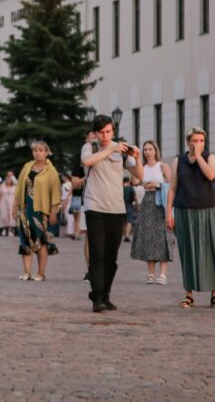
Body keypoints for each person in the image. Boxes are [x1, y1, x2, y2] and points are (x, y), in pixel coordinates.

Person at [166, 127, 215, 308]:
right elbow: (172, 188)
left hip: (207, 210)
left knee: (213, 250)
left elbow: (211, 175)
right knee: (188, 252)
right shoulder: (178, 161)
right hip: (184, 210)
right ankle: (189, 294)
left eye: (201, 141)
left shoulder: (210, 157)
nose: (198, 144)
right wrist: (168, 214)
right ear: (188, 141)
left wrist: (199, 157)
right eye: (195, 140)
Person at [80, 114, 141, 313]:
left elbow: (139, 177)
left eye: (108, 132)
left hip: (117, 209)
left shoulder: (120, 150)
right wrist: (110, 149)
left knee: (111, 258)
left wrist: (137, 159)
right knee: (97, 253)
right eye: (101, 132)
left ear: (113, 131)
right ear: (95, 133)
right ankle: (96, 297)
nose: (105, 135)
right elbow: (87, 162)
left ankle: (105, 294)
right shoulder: (91, 146)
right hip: (95, 207)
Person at [15, 140, 61, 281]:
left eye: (41, 150)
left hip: (41, 211)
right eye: (35, 150)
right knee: (25, 240)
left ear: (47, 152)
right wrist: (14, 206)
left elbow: (56, 193)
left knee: (41, 240)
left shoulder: (51, 171)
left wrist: (54, 211)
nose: (38, 153)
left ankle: (41, 273)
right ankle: (27, 272)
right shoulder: (27, 167)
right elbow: (19, 189)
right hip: (25, 209)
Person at [130, 140, 173, 285]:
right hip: (147, 202)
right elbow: (135, 181)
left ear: (156, 150)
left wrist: (158, 185)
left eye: (150, 149)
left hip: (160, 201)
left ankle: (163, 274)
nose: (148, 152)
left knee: (162, 236)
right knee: (149, 238)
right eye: (145, 149)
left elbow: (173, 184)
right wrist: (136, 161)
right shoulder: (142, 166)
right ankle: (150, 273)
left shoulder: (162, 166)